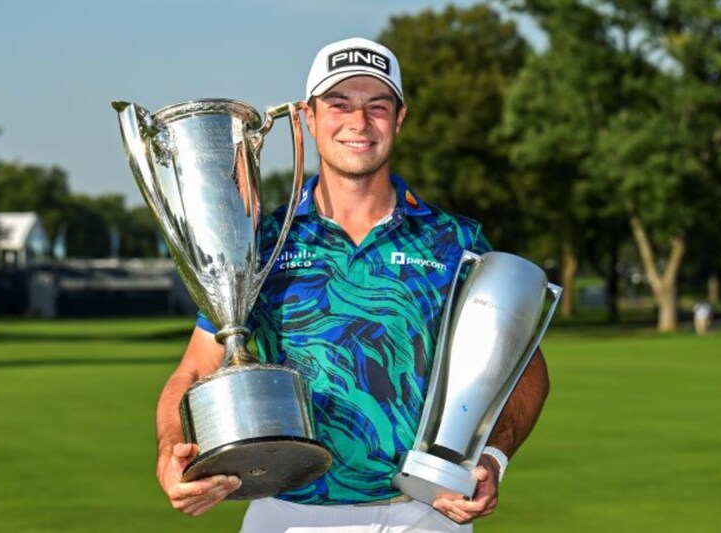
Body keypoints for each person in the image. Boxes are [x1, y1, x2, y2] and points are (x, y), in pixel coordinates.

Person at [155, 37, 551, 532]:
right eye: (339, 104)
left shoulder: (454, 241)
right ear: (309, 117)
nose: (358, 124)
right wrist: (173, 451)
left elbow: (525, 369)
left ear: (400, 118)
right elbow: (194, 370)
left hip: (425, 516)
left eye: (377, 106)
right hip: (286, 514)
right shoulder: (259, 240)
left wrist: (494, 457)